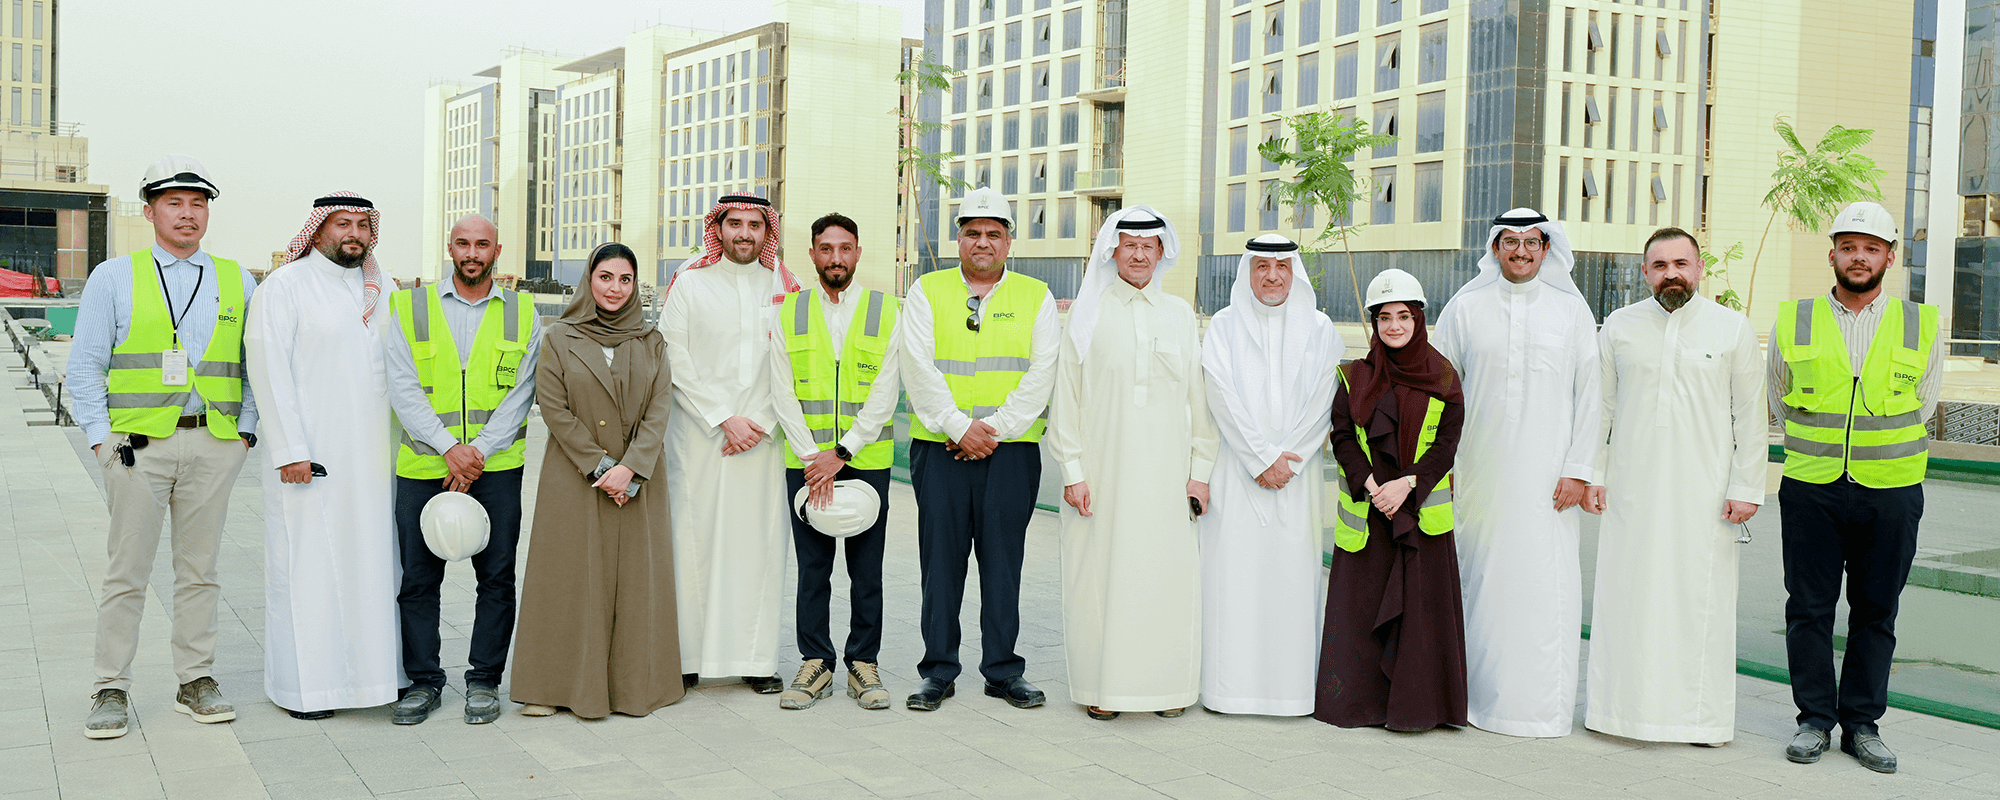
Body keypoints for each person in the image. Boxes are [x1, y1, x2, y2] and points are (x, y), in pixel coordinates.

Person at [70, 155, 259, 739]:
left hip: (214, 444)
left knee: (200, 571)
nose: (187, 214)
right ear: (150, 211)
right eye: (174, 203)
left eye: (197, 204)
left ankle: (195, 679)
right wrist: (102, 444)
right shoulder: (114, 277)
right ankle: (110, 686)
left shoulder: (239, 279)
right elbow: (84, 369)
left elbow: (256, 368)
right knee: (127, 571)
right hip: (137, 450)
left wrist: (245, 434)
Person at [1771, 202, 1941, 774]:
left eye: (1871, 248)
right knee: (1809, 608)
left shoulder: (1922, 323)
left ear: (1889, 257)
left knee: (1876, 611)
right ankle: (1814, 720)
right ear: (1833, 255)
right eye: (1848, 247)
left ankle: (1862, 724)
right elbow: (1779, 395)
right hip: (1811, 487)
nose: (1859, 257)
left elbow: (1927, 402)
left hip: (1891, 490)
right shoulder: (1793, 318)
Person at [1583, 228, 1766, 746]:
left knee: (1698, 603)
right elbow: (1601, 409)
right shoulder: (1619, 326)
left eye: (1681, 263)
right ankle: (1617, 714)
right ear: (1645, 272)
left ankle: (1700, 721)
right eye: (1659, 265)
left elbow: (1752, 417)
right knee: (1628, 597)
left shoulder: (1731, 329)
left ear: (1700, 267)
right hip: (1630, 490)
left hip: (1705, 494)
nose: (1671, 274)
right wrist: (1593, 473)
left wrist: (1747, 486)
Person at [1432, 208, 1601, 738]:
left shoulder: (1571, 312)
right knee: (1478, 582)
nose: (1522, 251)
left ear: (1548, 248)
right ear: (1495, 248)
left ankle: (1540, 709)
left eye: (1532, 242)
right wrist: (1441, 467)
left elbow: (1592, 396)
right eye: (1511, 242)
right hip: (1477, 475)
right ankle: (1473, 700)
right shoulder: (1465, 308)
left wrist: (1579, 469)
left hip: (1550, 481)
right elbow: (1437, 391)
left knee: (1544, 586)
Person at [1048, 207, 1217, 720]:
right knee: (1099, 580)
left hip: (1167, 479)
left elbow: (1199, 402)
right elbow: (1066, 398)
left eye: (1149, 245)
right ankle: (1104, 689)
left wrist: (1200, 473)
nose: (1140, 253)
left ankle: (1167, 692)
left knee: (1165, 580)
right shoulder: (1087, 312)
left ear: (1163, 251)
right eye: (1129, 244)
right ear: (1112, 251)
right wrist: (1073, 472)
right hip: (1102, 476)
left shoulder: (1179, 314)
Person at [510, 243, 685, 719]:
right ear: (589, 280)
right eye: (606, 277)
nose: (615, 288)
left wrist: (631, 467)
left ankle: (632, 689)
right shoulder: (561, 337)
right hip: (574, 475)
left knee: (634, 583)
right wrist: (602, 467)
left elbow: (659, 409)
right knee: (566, 579)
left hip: (639, 479)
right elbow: (555, 409)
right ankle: (552, 687)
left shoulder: (651, 341)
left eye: (625, 279)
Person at [899, 186, 1056, 712]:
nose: (982, 243)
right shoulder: (927, 290)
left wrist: (991, 431)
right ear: (958, 240)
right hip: (939, 449)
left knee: (1003, 564)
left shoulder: (1036, 296)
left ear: (1009, 241)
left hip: (1009, 453)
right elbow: (917, 369)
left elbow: (1042, 374)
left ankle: (1003, 671)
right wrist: (957, 426)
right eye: (972, 233)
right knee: (940, 565)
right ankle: (938, 671)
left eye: (994, 233)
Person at [245, 192, 400, 719]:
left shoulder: (386, 290)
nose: (352, 233)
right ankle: (306, 691)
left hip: (376, 462)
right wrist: (290, 449)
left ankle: (379, 680)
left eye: (362, 224)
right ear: (317, 230)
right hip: (310, 461)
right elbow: (269, 373)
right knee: (308, 570)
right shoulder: (283, 287)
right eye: (341, 224)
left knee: (376, 567)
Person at [382, 215, 542, 725]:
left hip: (495, 468)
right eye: (463, 243)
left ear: (498, 250)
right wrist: (451, 447)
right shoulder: (410, 307)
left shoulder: (523, 310)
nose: (472, 252)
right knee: (418, 580)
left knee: (495, 577)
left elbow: (523, 393)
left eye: (482, 244)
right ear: (449, 247)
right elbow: (402, 387)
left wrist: (475, 455)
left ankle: (484, 680)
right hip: (425, 464)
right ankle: (424, 681)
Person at [1315, 268, 1469, 731]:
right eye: (1385, 318)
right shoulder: (1353, 376)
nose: (1395, 326)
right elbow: (1341, 437)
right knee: (1361, 616)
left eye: (1404, 316)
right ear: (1375, 324)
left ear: (1420, 320)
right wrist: (1370, 485)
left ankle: (1417, 709)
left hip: (1419, 516)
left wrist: (1407, 484)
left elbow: (1446, 445)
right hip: (1370, 515)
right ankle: (1359, 707)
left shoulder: (1444, 377)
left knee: (1420, 618)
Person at [1197, 235, 1342, 717]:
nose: (1273, 276)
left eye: (1282, 266)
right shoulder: (1222, 326)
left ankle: (1292, 693)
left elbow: (1324, 402)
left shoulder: (1321, 330)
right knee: (1230, 583)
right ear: (1248, 272)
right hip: (1236, 479)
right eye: (1262, 267)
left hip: (1296, 483)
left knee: (1292, 585)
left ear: (1295, 272)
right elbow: (1220, 394)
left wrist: (1289, 460)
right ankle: (1228, 691)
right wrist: (1261, 459)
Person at [662, 194, 801, 694]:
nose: (745, 233)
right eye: (734, 223)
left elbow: (793, 365)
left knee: (759, 549)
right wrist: (724, 418)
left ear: (769, 234)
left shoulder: (785, 288)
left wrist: (759, 421)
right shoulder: (691, 284)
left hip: (763, 441)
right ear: (717, 229)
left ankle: (756, 659)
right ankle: (687, 658)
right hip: (700, 438)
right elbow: (674, 357)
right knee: (691, 545)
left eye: (754, 225)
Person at [768, 213, 902, 710]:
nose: (836, 258)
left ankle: (863, 665)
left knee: (867, 571)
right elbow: (781, 391)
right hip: (805, 462)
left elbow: (886, 393)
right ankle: (816, 663)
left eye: (845, 248)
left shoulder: (887, 311)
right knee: (813, 569)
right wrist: (813, 456)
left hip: (865, 460)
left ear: (858, 253)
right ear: (812, 254)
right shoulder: (788, 312)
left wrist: (842, 453)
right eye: (826, 249)